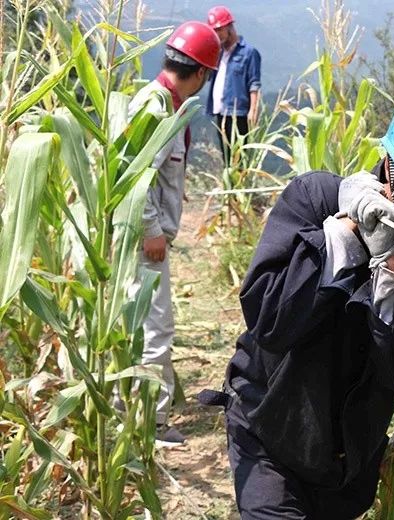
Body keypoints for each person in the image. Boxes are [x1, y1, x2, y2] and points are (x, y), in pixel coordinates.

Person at [199, 72, 394, 518]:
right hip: (267, 428)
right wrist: (341, 240)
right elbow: (268, 321)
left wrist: (390, 270)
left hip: (348, 459)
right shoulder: (316, 197)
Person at [127, 21, 220, 446]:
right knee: (155, 328)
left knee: (137, 325)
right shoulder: (156, 109)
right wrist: (152, 230)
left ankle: (130, 408)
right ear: (200, 73)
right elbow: (135, 177)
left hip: (142, 236)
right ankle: (152, 423)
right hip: (142, 239)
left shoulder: (165, 102)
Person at [205, 5, 262, 164]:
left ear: (229, 27)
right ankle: (228, 183)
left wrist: (253, 110)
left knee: (239, 157)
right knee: (226, 156)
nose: (217, 35)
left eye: (219, 30)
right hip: (220, 112)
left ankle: (240, 185)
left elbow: (254, 84)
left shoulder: (249, 53)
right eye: (214, 31)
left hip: (238, 114)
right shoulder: (219, 53)